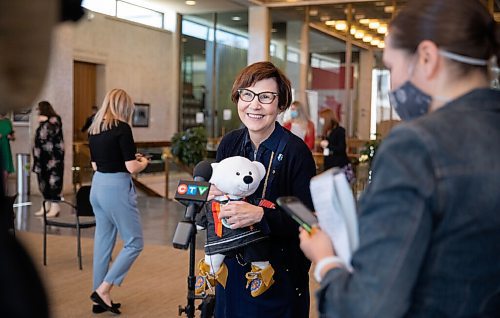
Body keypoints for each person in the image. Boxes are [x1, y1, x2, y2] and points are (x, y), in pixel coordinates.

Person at [299, 1, 500, 317]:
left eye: (390, 68)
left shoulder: (416, 146)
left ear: (427, 57)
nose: (392, 84)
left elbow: (369, 307)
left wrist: (326, 262)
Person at [210, 61, 316, 317]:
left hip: (280, 276)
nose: (254, 105)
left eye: (266, 97)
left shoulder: (295, 152)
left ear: (281, 105)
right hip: (232, 270)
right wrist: (211, 196)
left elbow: (309, 221)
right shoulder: (230, 143)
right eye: (247, 94)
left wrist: (261, 215)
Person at [88, 88, 149, 315]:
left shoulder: (95, 129)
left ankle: (99, 300)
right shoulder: (122, 128)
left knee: (103, 243)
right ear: (125, 107)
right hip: (116, 188)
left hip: (97, 186)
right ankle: (104, 289)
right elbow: (131, 167)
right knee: (135, 242)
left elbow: (95, 165)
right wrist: (142, 163)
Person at [32, 101, 65, 218]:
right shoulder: (42, 123)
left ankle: (55, 206)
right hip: (41, 159)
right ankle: (46, 204)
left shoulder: (54, 120)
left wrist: (45, 120)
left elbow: (53, 131)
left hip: (53, 160)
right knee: (43, 182)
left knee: (53, 183)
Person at [0, 113, 15, 190]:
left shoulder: (7, 122)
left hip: (5, 146)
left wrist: (11, 137)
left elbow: (13, 137)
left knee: (5, 168)